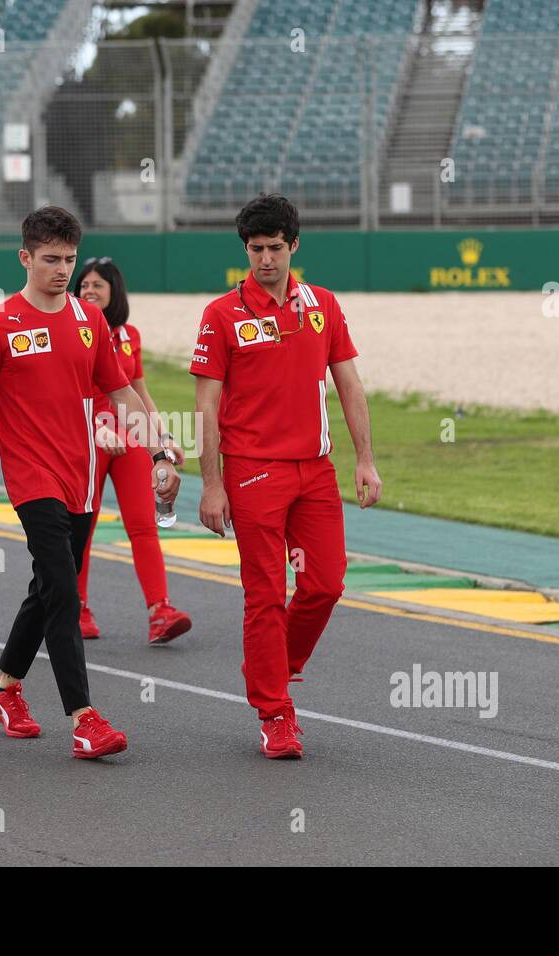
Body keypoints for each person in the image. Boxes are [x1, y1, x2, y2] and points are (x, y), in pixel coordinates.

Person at [0, 206, 180, 759]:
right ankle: (84, 718)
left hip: (81, 477)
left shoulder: (89, 320)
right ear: (25, 257)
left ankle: (5, 689)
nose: (62, 269)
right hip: (32, 480)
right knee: (61, 588)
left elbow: (124, 392)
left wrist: (158, 450)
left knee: (47, 587)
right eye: (51, 259)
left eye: (69, 259)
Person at [190, 194, 382, 759]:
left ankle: (275, 662)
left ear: (294, 245)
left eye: (276, 248)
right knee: (265, 594)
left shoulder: (322, 304)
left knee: (325, 583)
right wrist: (212, 483)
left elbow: (349, 384)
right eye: (256, 249)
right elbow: (206, 406)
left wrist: (365, 459)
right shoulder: (221, 314)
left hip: (315, 471)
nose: (266, 259)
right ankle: (275, 712)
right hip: (251, 473)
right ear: (244, 250)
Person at [73, 256, 191, 644]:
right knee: (82, 528)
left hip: (131, 436)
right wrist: (95, 428)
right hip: (84, 438)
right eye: (84, 285)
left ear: (114, 293)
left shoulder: (129, 336)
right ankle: (76, 609)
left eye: (97, 286)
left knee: (143, 524)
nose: (88, 291)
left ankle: (160, 611)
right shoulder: (69, 329)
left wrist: (164, 437)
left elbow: (138, 391)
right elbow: (63, 392)